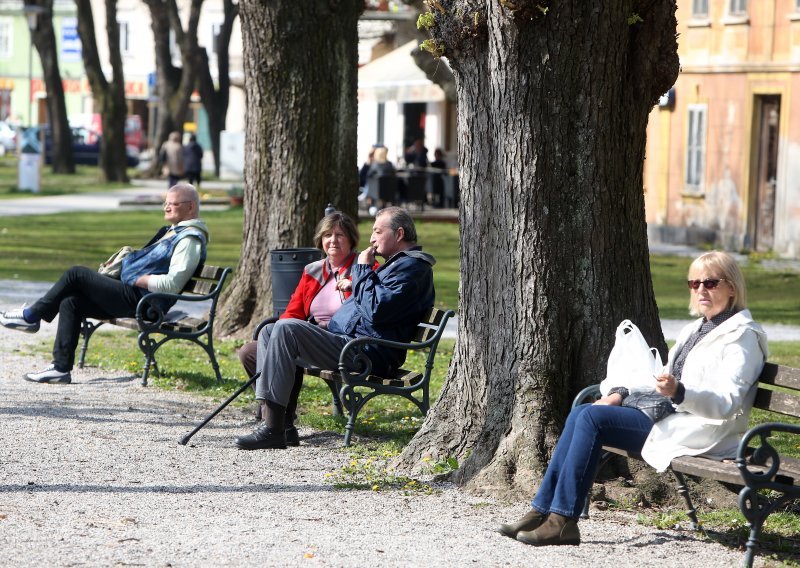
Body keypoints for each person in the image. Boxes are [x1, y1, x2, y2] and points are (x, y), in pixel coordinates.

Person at [497, 250, 768, 547]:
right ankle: (541, 510)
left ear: (731, 287)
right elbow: (660, 379)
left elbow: (727, 402)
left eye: (711, 283)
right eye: (694, 283)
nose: (701, 290)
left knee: (590, 418)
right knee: (582, 413)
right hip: (672, 417)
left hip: (704, 428)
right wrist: (621, 394)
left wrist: (680, 392)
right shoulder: (698, 328)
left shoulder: (742, 337)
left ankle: (561, 520)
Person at [234, 206, 436, 450]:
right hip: (350, 342)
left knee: (286, 329)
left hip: (367, 353)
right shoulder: (395, 265)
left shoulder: (412, 269)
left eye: (377, 231)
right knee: (269, 331)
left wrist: (361, 270)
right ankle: (281, 425)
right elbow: (372, 304)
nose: (371, 239)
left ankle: (273, 429)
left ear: (399, 234)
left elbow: (375, 310)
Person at [0, 184, 209, 384]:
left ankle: (31, 316)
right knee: (72, 301)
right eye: (165, 202)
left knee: (77, 274)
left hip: (146, 303)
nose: (166, 207)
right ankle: (60, 369)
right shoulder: (172, 231)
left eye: (174, 203)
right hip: (135, 295)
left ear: (191, 206)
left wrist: (137, 279)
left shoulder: (189, 240)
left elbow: (173, 283)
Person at [238, 211, 378, 444]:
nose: (333, 240)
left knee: (284, 334)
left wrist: (352, 285)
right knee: (254, 347)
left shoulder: (364, 269)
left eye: (340, 235)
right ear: (320, 240)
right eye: (327, 235)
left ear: (352, 240)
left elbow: (369, 306)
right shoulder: (313, 270)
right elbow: (292, 313)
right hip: (311, 337)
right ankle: (285, 425)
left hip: (344, 342)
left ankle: (273, 428)